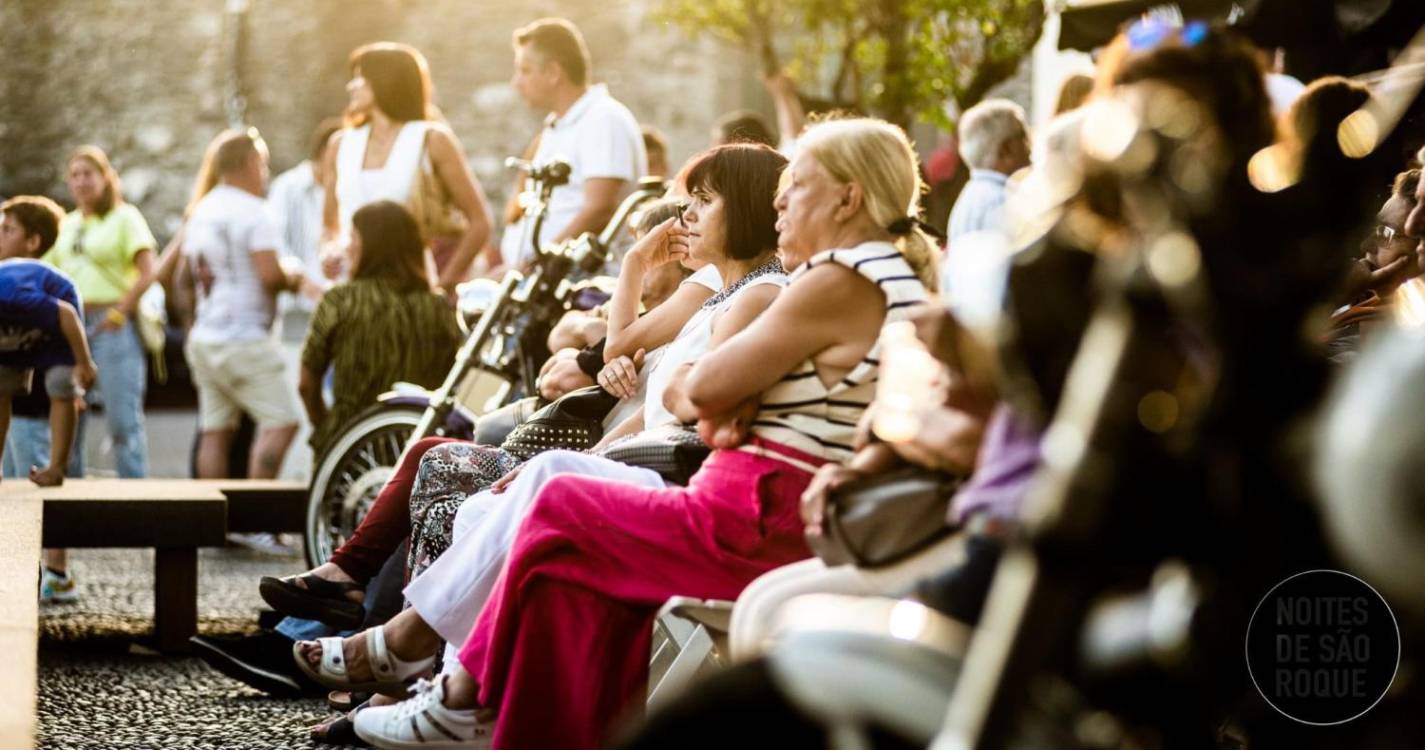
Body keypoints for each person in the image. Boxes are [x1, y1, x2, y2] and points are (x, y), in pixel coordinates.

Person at [337, 118, 939, 750]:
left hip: (751, 515)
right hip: (758, 503)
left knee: (556, 499)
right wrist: (712, 391)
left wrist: (701, 385)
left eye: (800, 185)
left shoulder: (835, 278)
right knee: (566, 573)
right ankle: (465, 703)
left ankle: (451, 687)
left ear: (848, 199)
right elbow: (713, 398)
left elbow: (697, 394)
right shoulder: (885, 273)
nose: (781, 200)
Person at [181, 129, 308, 480]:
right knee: (282, 423)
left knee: (215, 432)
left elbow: (181, 279)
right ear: (251, 162)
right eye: (263, 164)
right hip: (245, 339)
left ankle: (214, 524)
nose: (265, 174)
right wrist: (294, 276)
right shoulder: (254, 212)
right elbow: (269, 275)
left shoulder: (201, 210)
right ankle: (260, 523)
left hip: (206, 337)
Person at [321, 42, 494, 293]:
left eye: (360, 78)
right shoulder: (340, 144)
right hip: (350, 292)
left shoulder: (431, 140)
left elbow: (480, 222)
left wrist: (444, 285)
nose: (351, 86)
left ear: (383, 82)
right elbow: (329, 226)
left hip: (412, 293)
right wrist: (328, 251)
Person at [301, 201, 461, 460]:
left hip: (348, 445)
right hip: (416, 445)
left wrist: (326, 428)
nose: (347, 246)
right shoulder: (438, 308)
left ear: (367, 245)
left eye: (352, 237)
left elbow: (306, 385)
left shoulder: (340, 300)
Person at [0, 195, 98, 604]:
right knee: (1, 388)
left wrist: (84, 363)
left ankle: (57, 466)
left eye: (6, 229)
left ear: (34, 241)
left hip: (58, 322)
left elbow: (65, 316)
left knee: (60, 385)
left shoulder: (13, 288)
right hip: (14, 335)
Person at [43, 145, 158, 478]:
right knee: (69, 414)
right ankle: (71, 498)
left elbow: (149, 270)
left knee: (122, 419)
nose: (81, 182)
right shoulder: (67, 224)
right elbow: (47, 271)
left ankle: (136, 498)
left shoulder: (125, 217)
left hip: (112, 325)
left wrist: (120, 311)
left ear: (106, 179)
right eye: (75, 175)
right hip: (71, 326)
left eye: (88, 174)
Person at [498, 18, 646, 270]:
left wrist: (536, 264)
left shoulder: (603, 118)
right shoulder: (560, 125)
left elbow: (601, 208)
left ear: (554, 73)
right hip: (545, 286)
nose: (516, 82)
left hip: (580, 288)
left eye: (525, 70)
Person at [268, 117, 343, 335]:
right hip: (297, 315)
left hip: (339, 312)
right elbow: (275, 244)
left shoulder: (348, 190)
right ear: (324, 154)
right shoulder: (287, 188)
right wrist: (305, 284)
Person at [946, 99, 1031, 246]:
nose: (1030, 144)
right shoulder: (1001, 201)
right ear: (1006, 148)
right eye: (1023, 136)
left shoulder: (972, 194)